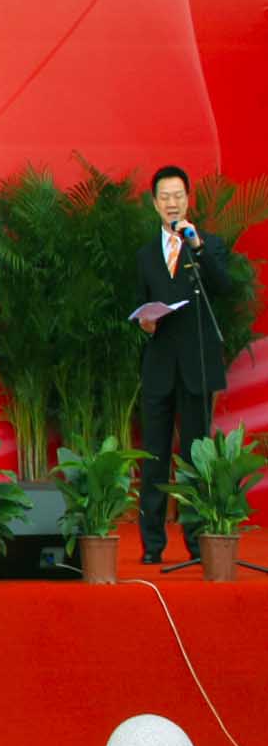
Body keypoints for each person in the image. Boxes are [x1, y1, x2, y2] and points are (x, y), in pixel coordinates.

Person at [134, 165, 232, 565]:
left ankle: (196, 543)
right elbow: (138, 304)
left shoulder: (207, 245)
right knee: (154, 458)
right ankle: (152, 545)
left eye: (178, 196)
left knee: (195, 457)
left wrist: (198, 247)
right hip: (159, 366)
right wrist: (144, 322)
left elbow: (224, 287)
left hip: (197, 366)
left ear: (188, 200)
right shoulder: (144, 255)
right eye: (165, 197)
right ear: (154, 203)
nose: (172, 203)